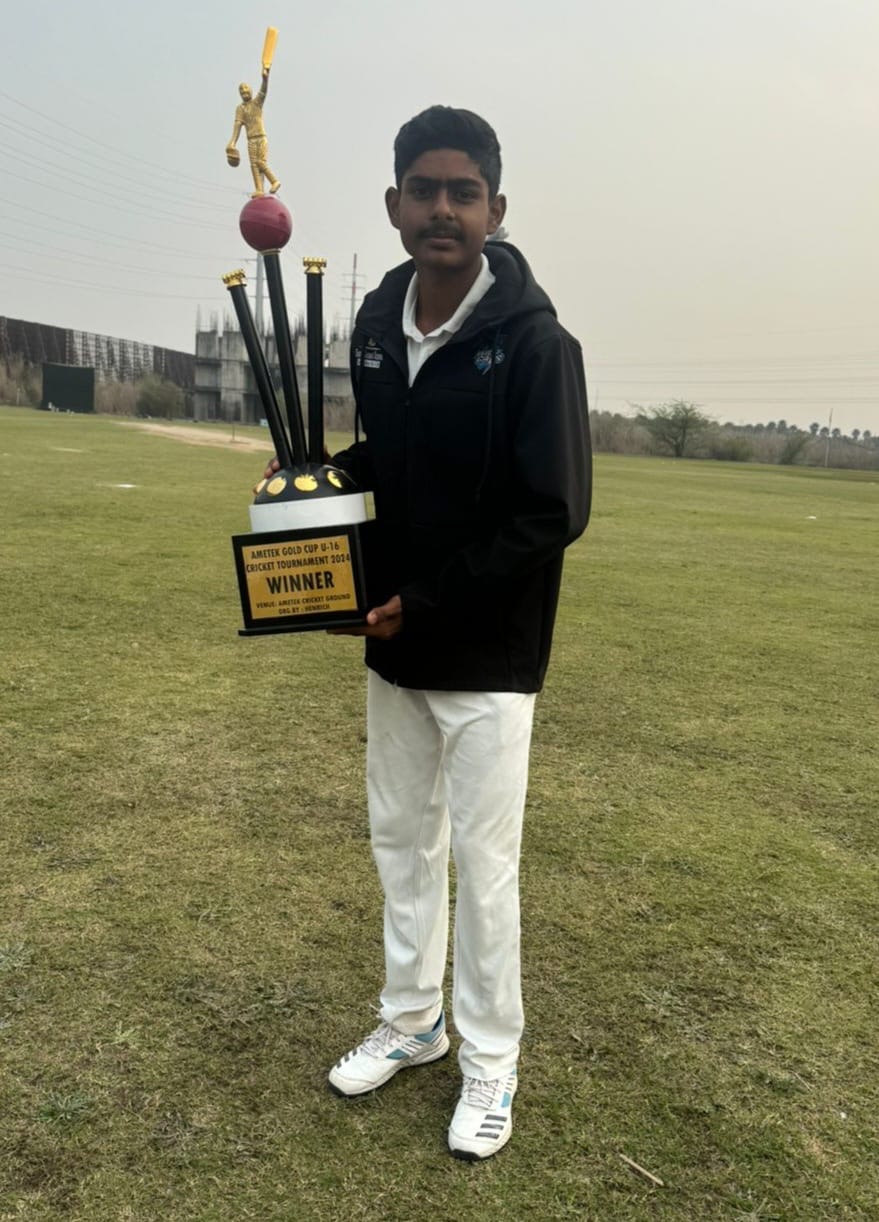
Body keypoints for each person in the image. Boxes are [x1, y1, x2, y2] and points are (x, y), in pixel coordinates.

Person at [266, 106, 591, 1160]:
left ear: (497, 208)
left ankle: (490, 1060)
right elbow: (386, 459)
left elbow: (553, 511)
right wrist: (312, 491)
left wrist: (433, 596)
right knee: (401, 841)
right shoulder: (373, 320)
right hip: (393, 640)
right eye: (424, 189)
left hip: (489, 653)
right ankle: (414, 1021)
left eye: (463, 192)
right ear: (394, 203)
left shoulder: (538, 343)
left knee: (482, 868)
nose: (441, 209)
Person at [226, 70, 281, 198]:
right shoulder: (240, 109)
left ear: (251, 91)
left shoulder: (257, 103)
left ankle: (274, 181)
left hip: (261, 138)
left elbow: (263, 92)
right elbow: (238, 125)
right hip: (250, 139)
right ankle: (259, 189)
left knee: (261, 162)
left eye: (246, 89)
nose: (244, 91)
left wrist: (265, 79)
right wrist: (232, 142)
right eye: (241, 91)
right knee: (254, 165)